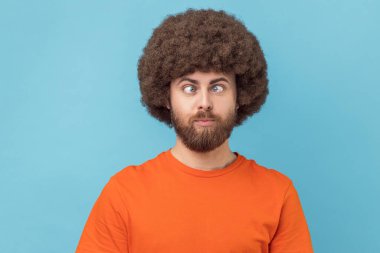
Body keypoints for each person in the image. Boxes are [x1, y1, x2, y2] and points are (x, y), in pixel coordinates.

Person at [76, 8, 314, 253]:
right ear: (166, 98)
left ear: (240, 96)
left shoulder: (277, 193)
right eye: (189, 88)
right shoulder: (123, 193)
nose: (204, 102)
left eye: (218, 88)